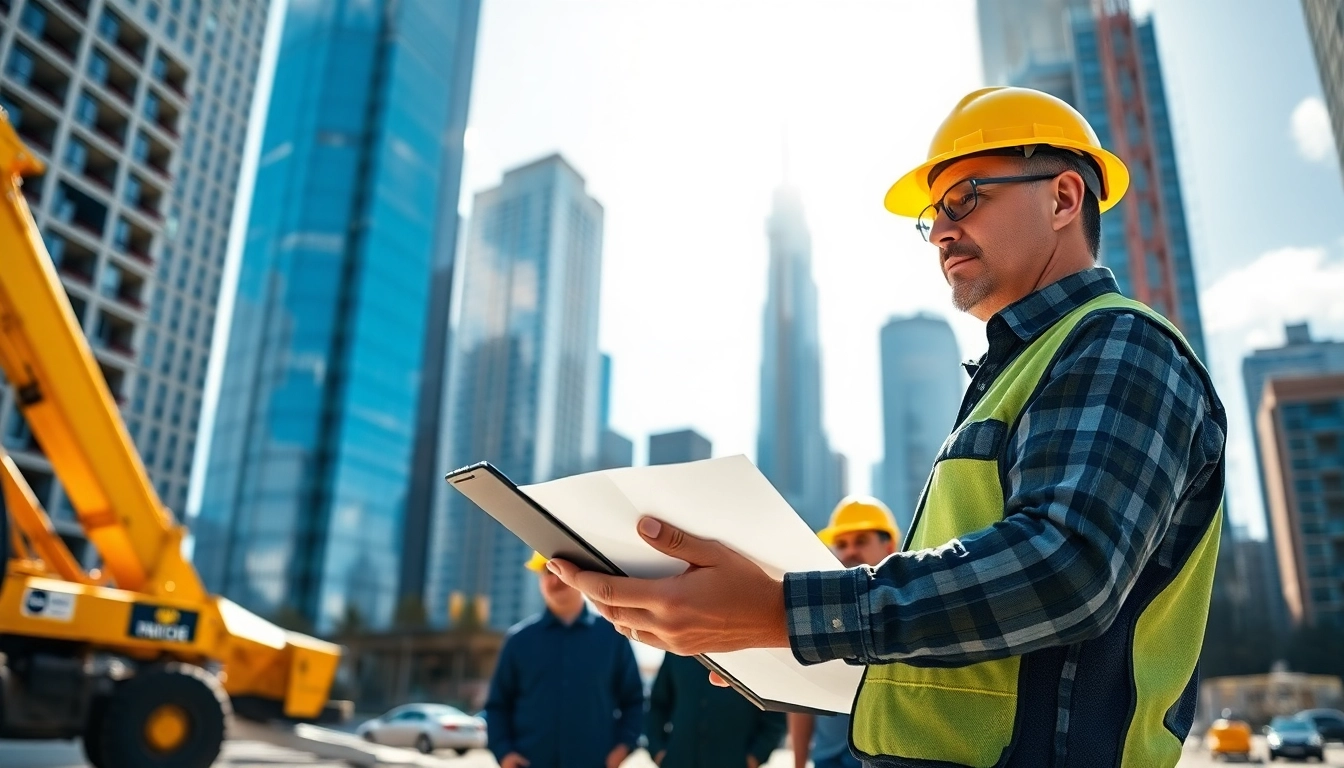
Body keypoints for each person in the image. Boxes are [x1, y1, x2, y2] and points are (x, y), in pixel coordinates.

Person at [548, 86, 1227, 767]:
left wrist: (784, 611)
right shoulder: (1014, 377)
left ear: (1062, 198)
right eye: (933, 216)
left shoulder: (1120, 344)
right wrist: (783, 647)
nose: (939, 232)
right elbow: (973, 636)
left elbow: (1063, 571)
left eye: (965, 199)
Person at [485, 551, 644, 768]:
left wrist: (623, 748)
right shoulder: (518, 641)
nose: (553, 579)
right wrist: (504, 753)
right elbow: (497, 706)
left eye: (559, 571)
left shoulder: (613, 636)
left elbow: (634, 700)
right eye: (546, 572)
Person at [788, 497, 899, 768]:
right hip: (828, 758)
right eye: (842, 544)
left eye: (861, 541)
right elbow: (802, 698)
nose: (849, 552)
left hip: (886, 758)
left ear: (889, 546)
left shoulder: (910, 609)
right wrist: (799, 762)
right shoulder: (815, 614)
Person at [645, 651, 787, 768]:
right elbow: (658, 704)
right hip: (678, 761)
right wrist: (658, 752)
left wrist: (755, 757)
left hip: (732, 762)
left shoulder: (753, 653)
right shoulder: (676, 650)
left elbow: (775, 715)